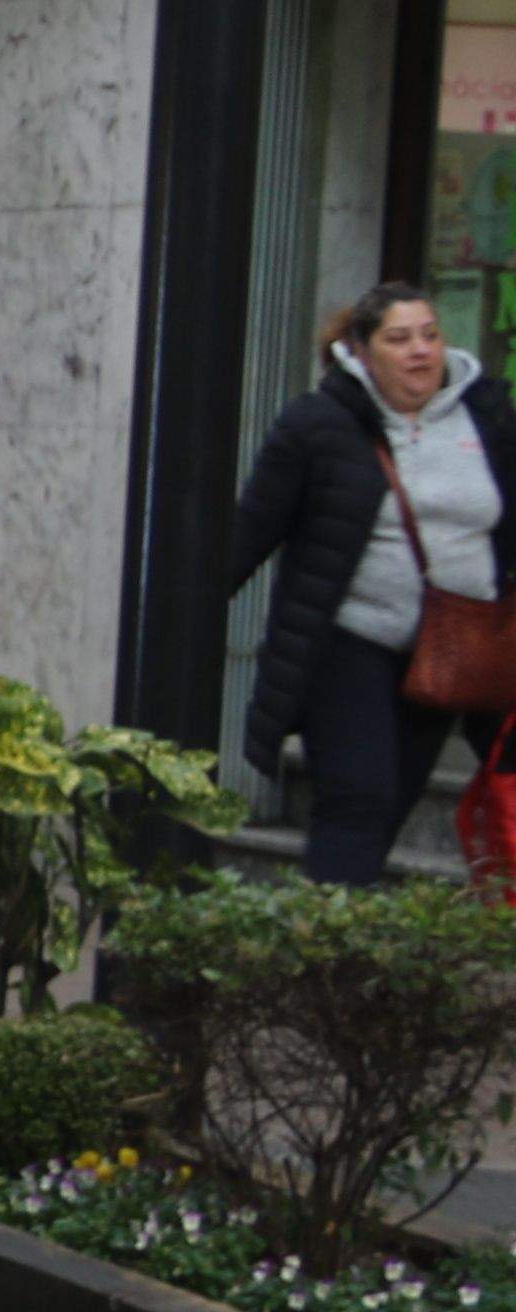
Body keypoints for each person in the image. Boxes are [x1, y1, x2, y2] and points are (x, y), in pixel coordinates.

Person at [229, 281, 516, 882]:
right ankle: (322, 962)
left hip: (450, 653)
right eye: (399, 338)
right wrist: (183, 616)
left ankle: (335, 932)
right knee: (358, 796)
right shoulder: (319, 426)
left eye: (430, 335)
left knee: (391, 807)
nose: (420, 351)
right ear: (359, 352)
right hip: (350, 642)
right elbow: (250, 531)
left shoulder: (486, 416)